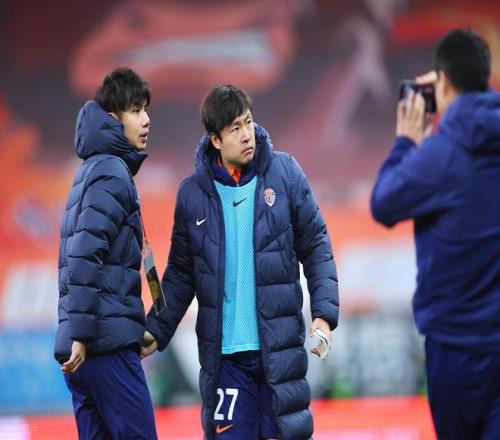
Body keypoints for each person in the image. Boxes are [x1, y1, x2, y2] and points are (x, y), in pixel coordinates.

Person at [142, 85, 339, 439]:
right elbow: (182, 274)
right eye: (235, 129)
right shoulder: (192, 194)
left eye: (248, 122)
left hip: (279, 354)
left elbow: (316, 247)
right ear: (215, 139)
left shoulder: (286, 174)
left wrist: (324, 315)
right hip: (225, 362)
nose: (247, 134)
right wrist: (155, 329)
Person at [371, 28, 500, 440]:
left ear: (441, 82)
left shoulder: (437, 156)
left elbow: (383, 203)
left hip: (454, 350)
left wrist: (407, 143)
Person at [54, 67, 157, 439]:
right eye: (136, 110)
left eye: (146, 110)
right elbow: (84, 256)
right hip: (103, 345)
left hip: (86, 350)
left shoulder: (90, 169)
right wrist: (83, 334)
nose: (146, 120)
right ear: (114, 118)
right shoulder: (112, 172)